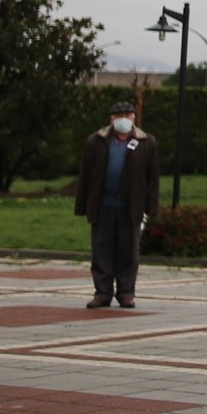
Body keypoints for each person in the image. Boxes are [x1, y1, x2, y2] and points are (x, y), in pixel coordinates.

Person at [75, 101, 160, 309]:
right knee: (101, 250)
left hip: (131, 207)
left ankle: (126, 292)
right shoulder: (96, 141)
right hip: (103, 204)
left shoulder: (147, 142)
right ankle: (102, 292)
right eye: (118, 115)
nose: (123, 119)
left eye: (127, 115)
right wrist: (82, 205)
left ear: (134, 118)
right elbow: (85, 175)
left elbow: (152, 178)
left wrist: (151, 207)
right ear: (111, 119)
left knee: (128, 251)